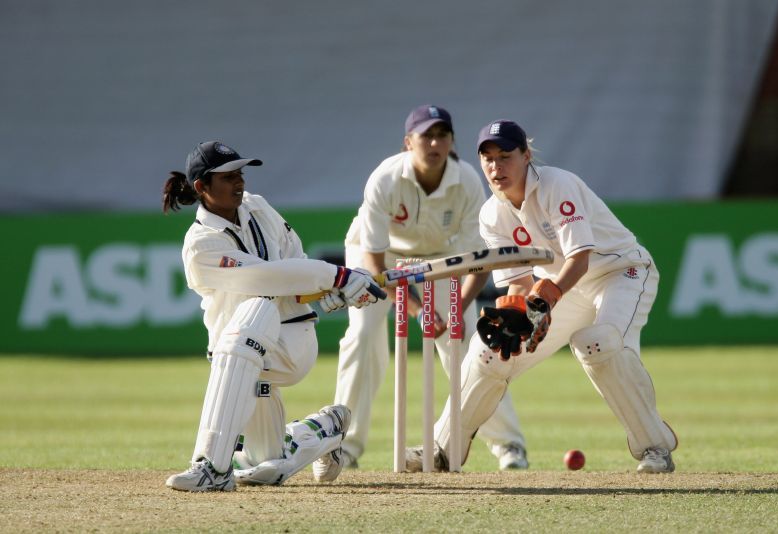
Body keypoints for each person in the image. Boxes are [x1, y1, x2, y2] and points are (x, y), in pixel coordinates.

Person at [406, 120, 678, 473]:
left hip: (620, 273)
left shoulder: (557, 186)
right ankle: (442, 451)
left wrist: (546, 299)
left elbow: (579, 258)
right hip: (562, 290)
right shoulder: (492, 214)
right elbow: (518, 281)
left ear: (526, 155)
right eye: (487, 158)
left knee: (598, 343)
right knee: (489, 353)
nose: (495, 167)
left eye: (505, 156)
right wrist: (519, 309)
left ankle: (655, 447)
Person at [162, 141, 386, 491]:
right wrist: (337, 276)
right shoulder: (200, 245)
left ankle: (212, 467)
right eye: (227, 177)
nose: (239, 182)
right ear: (201, 187)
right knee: (266, 465)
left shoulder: (258, 206)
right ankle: (322, 429)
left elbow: (293, 258)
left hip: (289, 343)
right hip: (238, 359)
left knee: (259, 307)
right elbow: (264, 276)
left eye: (240, 174)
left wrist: (328, 289)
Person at [334, 105, 529, 471]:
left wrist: (456, 314)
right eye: (426, 136)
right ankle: (345, 446)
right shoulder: (385, 179)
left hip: (442, 258)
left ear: (452, 141)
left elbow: (479, 261)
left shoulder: (467, 180)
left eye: (442, 135)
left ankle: (509, 446)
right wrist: (418, 311)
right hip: (381, 257)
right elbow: (375, 266)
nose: (435, 143)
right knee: (362, 337)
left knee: (470, 343)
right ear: (409, 142)